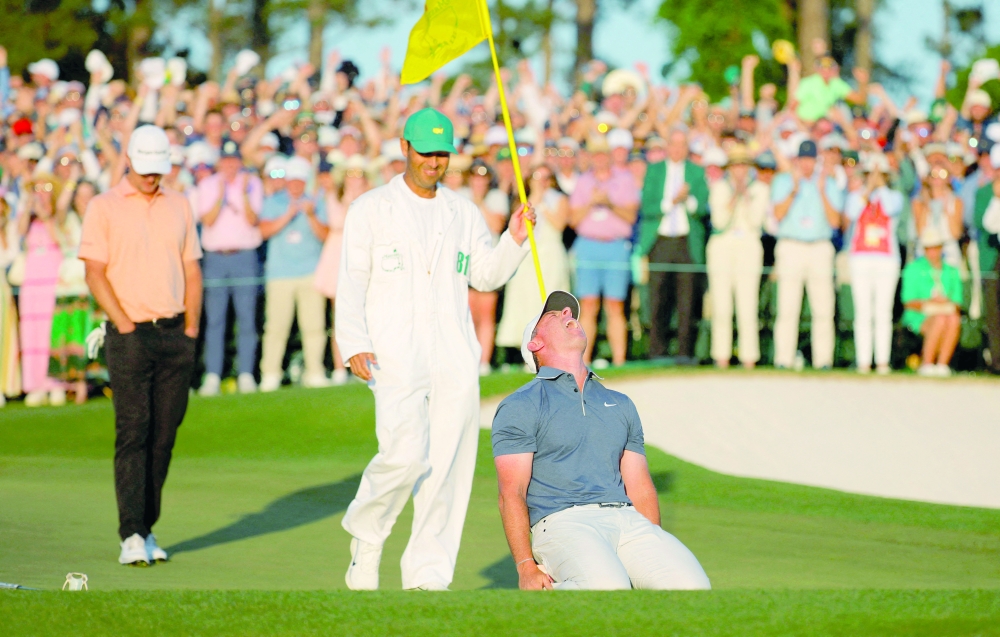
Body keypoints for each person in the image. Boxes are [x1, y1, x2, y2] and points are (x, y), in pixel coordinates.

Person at [335, 108, 535, 591]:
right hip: (392, 351)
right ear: (405, 147)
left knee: (449, 466)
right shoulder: (370, 208)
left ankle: (428, 574)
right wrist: (353, 342)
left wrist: (514, 239)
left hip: (453, 351)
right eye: (426, 151)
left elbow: (485, 275)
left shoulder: (462, 212)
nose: (434, 161)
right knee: (404, 455)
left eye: (443, 153)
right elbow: (351, 281)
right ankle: (366, 537)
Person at [491, 290, 711, 590]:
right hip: (563, 522)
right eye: (554, 315)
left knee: (692, 590)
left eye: (570, 313)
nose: (569, 314)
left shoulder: (619, 403)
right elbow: (511, 492)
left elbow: (640, 487)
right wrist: (525, 566)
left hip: (628, 520)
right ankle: (544, 598)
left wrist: (650, 548)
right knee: (609, 590)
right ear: (535, 343)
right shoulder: (521, 404)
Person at [79, 125, 203, 565]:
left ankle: (146, 529)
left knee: (164, 436)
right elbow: (94, 270)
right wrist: (124, 325)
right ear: (129, 159)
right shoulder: (103, 206)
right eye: (145, 169)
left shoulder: (180, 204)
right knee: (133, 431)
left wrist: (191, 330)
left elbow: (192, 270)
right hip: (130, 334)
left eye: (158, 170)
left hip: (174, 335)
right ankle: (130, 532)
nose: (152, 177)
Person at [195, 138, 263, 396]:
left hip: (244, 255)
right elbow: (209, 220)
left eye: (234, 161)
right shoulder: (209, 185)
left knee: (246, 319)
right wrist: (223, 194)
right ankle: (213, 374)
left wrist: (243, 193)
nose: (230, 166)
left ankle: (245, 373)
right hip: (215, 257)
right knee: (215, 320)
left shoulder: (252, 183)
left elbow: (253, 218)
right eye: (226, 161)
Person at [257, 156, 330, 391]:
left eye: (300, 181)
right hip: (280, 274)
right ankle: (270, 374)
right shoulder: (274, 202)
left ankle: (315, 371)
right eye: (292, 181)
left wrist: (309, 215)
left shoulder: (316, 202)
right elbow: (264, 231)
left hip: (310, 271)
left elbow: (325, 235)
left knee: (314, 327)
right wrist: (288, 214)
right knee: (276, 327)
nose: (296, 185)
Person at [637, 127, 709, 364]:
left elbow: (701, 209)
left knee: (687, 299)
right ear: (667, 147)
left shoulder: (696, 173)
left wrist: (687, 198)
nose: (677, 149)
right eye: (674, 144)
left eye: (681, 145)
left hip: (685, 241)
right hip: (661, 239)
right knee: (658, 298)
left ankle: (685, 353)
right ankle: (657, 351)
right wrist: (671, 201)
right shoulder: (655, 171)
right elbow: (647, 205)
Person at [770, 140, 844, 369]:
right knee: (787, 307)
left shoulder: (828, 184)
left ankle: (823, 360)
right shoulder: (783, 181)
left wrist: (822, 191)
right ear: (797, 160)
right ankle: (783, 358)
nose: (806, 164)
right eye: (803, 159)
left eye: (810, 159)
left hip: (819, 246)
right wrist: (794, 188)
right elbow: (778, 215)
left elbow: (835, 221)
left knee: (823, 308)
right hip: (791, 245)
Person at [568, 136, 639, 366]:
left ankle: (619, 360)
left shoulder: (625, 180)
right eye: (595, 154)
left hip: (615, 246)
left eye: (603, 154)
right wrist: (591, 202)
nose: (599, 159)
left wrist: (608, 203)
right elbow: (573, 220)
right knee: (587, 305)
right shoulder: (583, 182)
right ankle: (584, 361)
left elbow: (630, 216)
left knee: (615, 305)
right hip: (588, 245)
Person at [495, 164, 571, 365]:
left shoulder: (559, 199)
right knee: (523, 301)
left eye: (546, 177)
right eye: (538, 177)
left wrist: (544, 203)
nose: (542, 181)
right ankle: (521, 353)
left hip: (551, 256)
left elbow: (559, 224)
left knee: (549, 302)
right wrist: (535, 198)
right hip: (528, 256)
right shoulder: (524, 201)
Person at [706, 145, 768, 369]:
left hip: (748, 247)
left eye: (743, 165)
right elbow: (720, 221)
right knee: (721, 304)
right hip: (722, 246)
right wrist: (735, 195)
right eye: (735, 165)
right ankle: (721, 356)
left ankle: (749, 357)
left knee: (747, 304)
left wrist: (746, 196)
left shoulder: (760, 189)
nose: (739, 170)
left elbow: (755, 221)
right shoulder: (719, 188)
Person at [843, 154, 904, 374]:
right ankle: (863, 361)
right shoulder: (855, 197)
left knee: (883, 312)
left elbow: (888, 210)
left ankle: (882, 361)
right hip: (860, 257)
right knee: (863, 312)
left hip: (886, 258)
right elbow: (852, 213)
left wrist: (880, 187)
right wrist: (868, 189)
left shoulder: (894, 197)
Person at [17, 174, 67, 406]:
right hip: (32, 280)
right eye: (37, 188)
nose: (40, 192)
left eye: (45, 188)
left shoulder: (58, 217)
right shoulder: (29, 219)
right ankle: (35, 384)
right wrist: (28, 208)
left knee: (51, 331)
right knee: (32, 333)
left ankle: (55, 382)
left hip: (51, 278)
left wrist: (47, 216)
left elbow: (60, 240)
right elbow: (19, 232)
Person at [456, 159, 509, 374]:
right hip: (466, 260)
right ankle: (468, 359)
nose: (479, 182)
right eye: (475, 177)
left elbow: (496, 225)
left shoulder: (496, 198)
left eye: (483, 177)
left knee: (486, 314)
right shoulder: (459, 194)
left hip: (488, 259)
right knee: (467, 313)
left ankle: (484, 361)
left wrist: (479, 203)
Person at [901, 228, 962, 377]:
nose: (932, 252)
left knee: (953, 319)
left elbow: (957, 303)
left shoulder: (951, 271)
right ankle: (927, 364)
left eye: (935, 247)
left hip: (945, 313)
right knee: (940, 319)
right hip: (919, 315)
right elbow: (908, 301)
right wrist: (931, 302)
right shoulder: (913, 268)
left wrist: (943, 303)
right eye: (928, 248)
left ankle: (942, 365)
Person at [0, 193, 21, 406]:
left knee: (5, 338)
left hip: (2, 288)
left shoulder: (10, 229)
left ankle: (6, 385)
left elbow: (9, 256)